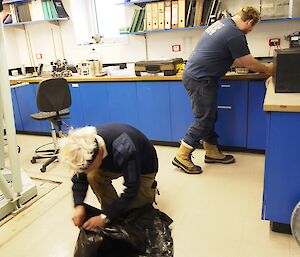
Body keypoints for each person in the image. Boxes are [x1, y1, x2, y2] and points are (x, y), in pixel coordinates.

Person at [172, 6, 274, 175]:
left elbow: (237, 60)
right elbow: (248, 63)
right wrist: (268, 69)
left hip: (198, 75)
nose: (250, 30)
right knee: (204, 119)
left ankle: (211, 151)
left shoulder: (222, 24)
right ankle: (182, 155)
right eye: (252, 27)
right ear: (249, 22)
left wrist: (256, 65)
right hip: (200, 78)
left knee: (210, 116)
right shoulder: (234, 33)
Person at [59, 123, 158, 230]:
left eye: (86, 168)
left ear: (98, 154)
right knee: (92, 176)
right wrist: (79, 205)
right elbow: (79, 178)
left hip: (143, 167)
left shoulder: (124, 147)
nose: (85, 172)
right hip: (116, 161)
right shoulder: (87, 147)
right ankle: (113, 214)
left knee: (139, 213)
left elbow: (131, 189)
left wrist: (104, 217)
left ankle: (148, 189)